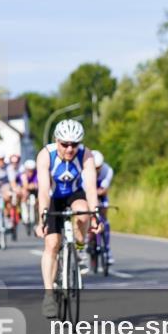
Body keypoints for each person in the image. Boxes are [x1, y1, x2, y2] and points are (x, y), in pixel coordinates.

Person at [36, 119, 100, 318]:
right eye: (65, 144)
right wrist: (42, 218)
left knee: (83, 212)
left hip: (74, 194)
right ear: (56, 140)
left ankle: (80, 251)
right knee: (52, 243)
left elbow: (90, 187)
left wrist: (95, 213)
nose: (70, 149)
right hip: (53, 197)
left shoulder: (86, 155)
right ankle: (48, 295)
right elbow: (44, 190)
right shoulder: (46, 155)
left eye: (75, 144)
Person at [91, 150, 115, 265]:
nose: (97, 170)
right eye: (94, 168)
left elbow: (103, 190)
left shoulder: (107, 170)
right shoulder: (84, 170)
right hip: (88, 195)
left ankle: (108, 250)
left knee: (104, 217)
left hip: (101, 196)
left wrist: (97, 192)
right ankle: (85, 242)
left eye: (98, 167)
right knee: (85, 216)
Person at [18, 159, 39, 227]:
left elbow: (38, 184)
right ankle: (25, 214)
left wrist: (34, 186)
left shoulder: (36, 174)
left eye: (32, 170)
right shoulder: (22, 174)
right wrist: (32, 185)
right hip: (25, 189)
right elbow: (25, 185)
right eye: (29, 170)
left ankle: (36, 215)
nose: (30, 172)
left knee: (38, 199)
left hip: (34, 190)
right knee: (24, 194)